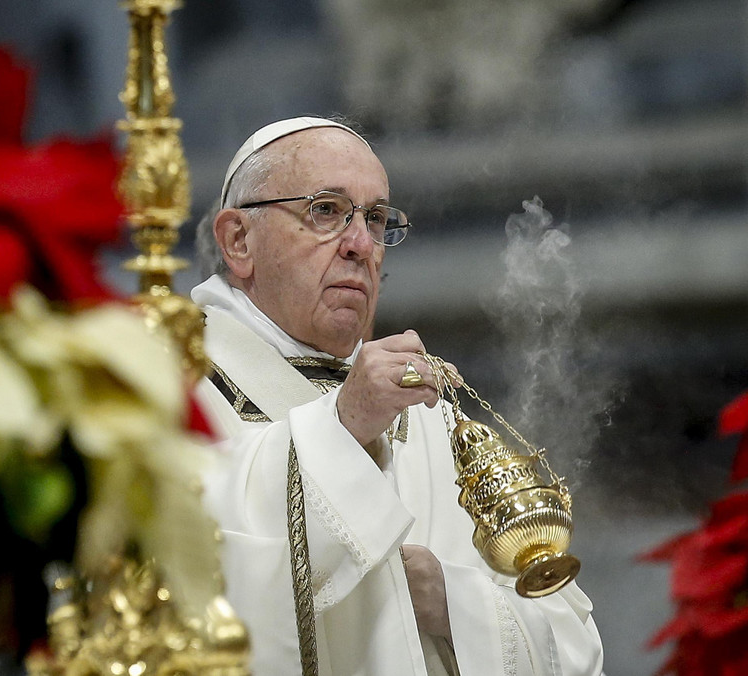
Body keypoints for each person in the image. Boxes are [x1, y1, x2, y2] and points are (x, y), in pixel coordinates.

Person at [191, 117, 604, 676]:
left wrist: (451, 604)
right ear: (239, 240)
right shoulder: (171, 386)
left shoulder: (428, 414)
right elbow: (188, 580)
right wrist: (342, 428)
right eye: (327, 210)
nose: (361, 245)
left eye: (378, 218)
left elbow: (571, 638)